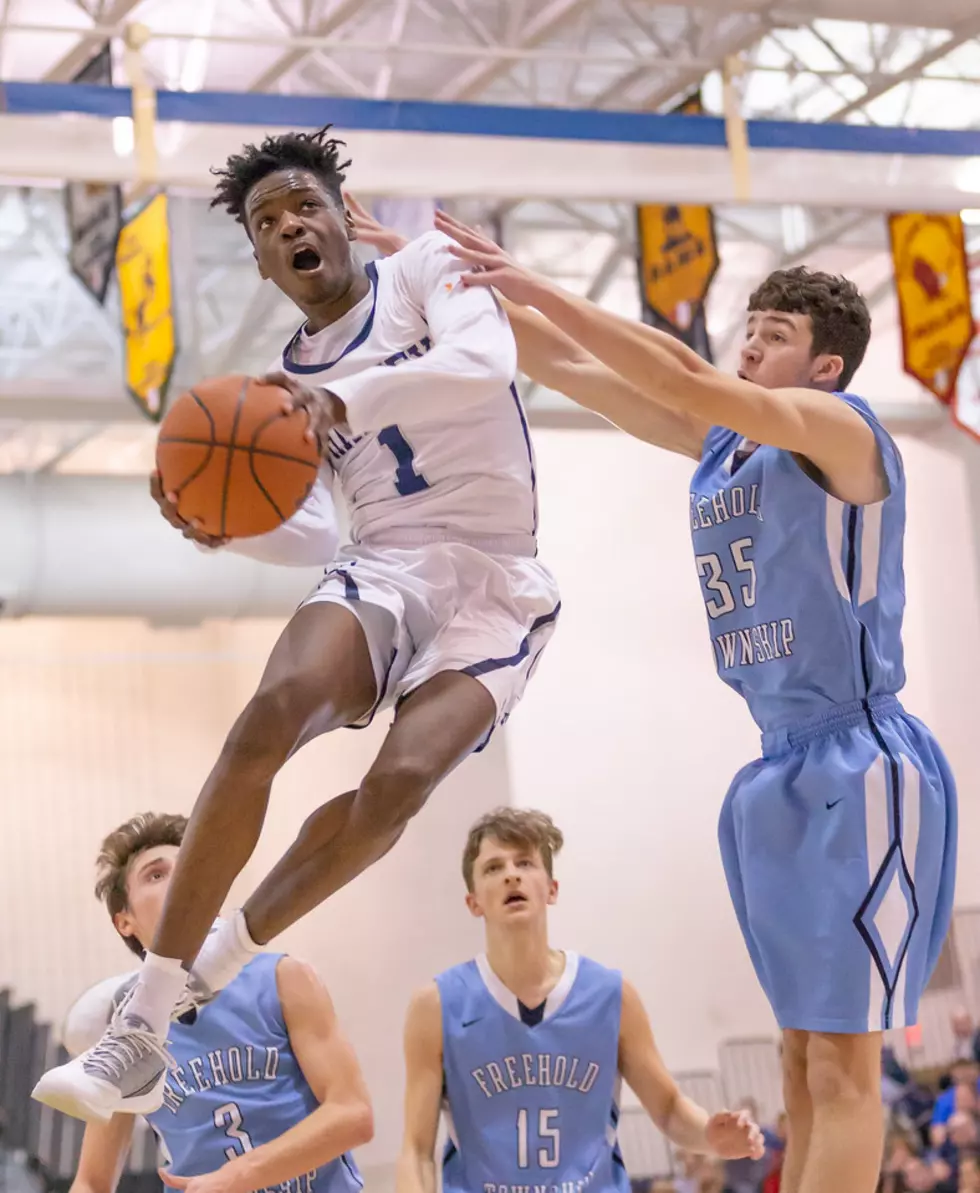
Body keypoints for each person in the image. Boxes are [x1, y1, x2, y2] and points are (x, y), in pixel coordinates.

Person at [351, 205, 956, 1193]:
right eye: (747, 327)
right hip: (776, 765)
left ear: (824, 370)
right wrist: (426, 273)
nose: (750, 342)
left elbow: (675, 373)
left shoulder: (841, 432)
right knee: (800, 1058)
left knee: (845, 1065)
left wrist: (535, 276)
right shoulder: (726, 446)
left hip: (862, 754)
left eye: (775, 336)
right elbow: (565, 366)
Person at [35, 127, 559, 1121]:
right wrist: (220, 523)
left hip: (495, 578)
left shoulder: (426, 272)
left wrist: (339, 394)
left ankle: (219, 958)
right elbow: (317, 529)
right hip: (388, 562)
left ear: (337, 215)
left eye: (301, 206)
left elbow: (483, 365)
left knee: (399, 781)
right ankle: (142, 1023)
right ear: (265, 259)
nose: (290, 226)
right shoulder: (278, 387)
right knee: (271, 708)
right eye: (268, 223)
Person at [396, 806, 765, 1193]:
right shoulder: (437, 1005)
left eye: (525, 862)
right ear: (473, 902)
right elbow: (416, 1151)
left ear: (551, 890)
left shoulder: (609, 994)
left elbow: (669, 1108)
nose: (511, 874)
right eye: (493, 867)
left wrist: (709, 1135)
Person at [64, 812, 373, 1193]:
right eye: (156, 875)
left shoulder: (283, 977)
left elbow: (353, 1114)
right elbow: (92, 1181)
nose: (181, 880)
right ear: (124, 920)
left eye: (191, 869)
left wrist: (239, 1176)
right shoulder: (126, 1026)